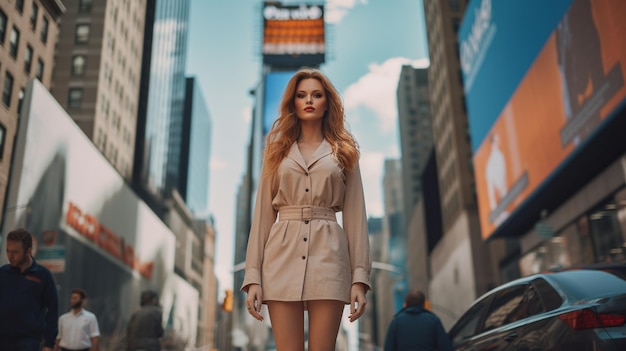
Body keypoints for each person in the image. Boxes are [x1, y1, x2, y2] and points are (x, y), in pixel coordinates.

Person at [241, 68, 372, 351]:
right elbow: (263, 217)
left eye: (316, 94)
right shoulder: (276, 151)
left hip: (330, 257)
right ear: (293, 103)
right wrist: (253, 277)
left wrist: (359, 278)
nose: (308, 100)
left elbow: (355, 217)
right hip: (280, 257)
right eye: (301, 95)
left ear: (327, 102)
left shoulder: (345, 151)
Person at [0, 228, 59, 351]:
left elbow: (53, 311)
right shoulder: (3, 273)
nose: (10, 256)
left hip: (27, 342)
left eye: (15, 252)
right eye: (8, 251)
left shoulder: (43, 276)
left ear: (28, 251)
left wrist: (49, 343)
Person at [384, 289, 452, 351]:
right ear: (424, 304)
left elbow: (388, 348)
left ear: (405, 304)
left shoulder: (396, 322)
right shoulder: (433, 320)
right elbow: (444, 347)